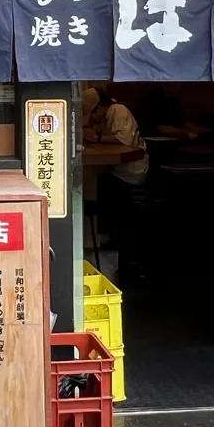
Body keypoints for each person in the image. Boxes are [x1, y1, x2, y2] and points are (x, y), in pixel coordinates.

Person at [83, 86, 150, 281]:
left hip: (131, 173)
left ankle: (112, 243)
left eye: (92, 114)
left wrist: (95, 137)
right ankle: (107, 240)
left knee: (107, 198)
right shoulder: (107, 116)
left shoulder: (117, 110)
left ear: (99, 108)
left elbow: (125, 139)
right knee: (102, 189)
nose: (92, 119)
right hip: (118, 171)